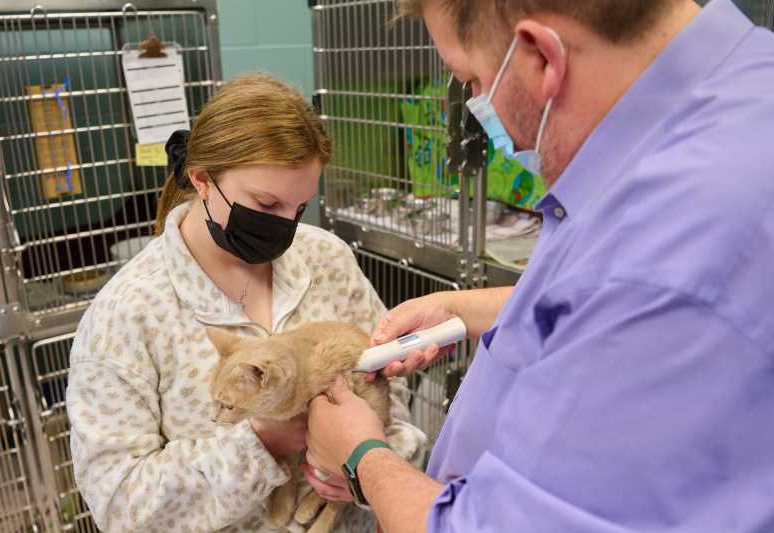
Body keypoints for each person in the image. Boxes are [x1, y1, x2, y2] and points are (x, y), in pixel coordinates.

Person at [306, 0, 774, 531]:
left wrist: (361, 453)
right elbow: (604, 301)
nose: (478, 104)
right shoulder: (740, 91)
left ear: (541, 58)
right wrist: (464, 308)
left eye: (473, 80)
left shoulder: (673, 249)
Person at [66, 73, 426, 533]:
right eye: (266, 203)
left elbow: (391, 394)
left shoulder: (325, 259)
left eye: (298, 209)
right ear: (201, 179)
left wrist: (370, 469)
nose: (284, 227)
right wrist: (260, 442)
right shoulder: (129, 315)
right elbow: (120, 504)